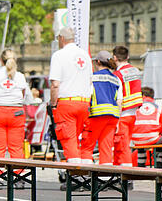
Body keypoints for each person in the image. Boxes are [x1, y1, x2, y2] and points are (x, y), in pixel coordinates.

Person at [48, 27, 92, 163]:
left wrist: (53, 104)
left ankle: (76, 176)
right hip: (84, 103)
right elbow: (90, 81)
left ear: (61, 38)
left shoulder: (59, 55)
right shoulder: (85, 55)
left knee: (69, 139)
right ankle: (86, 171)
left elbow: (55, 84)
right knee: (81, 139)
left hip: (67, 103)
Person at [80, 51, 121, 165]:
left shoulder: (92, 77)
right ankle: (106, 178)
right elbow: (119, 101)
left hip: (97, 115)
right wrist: (118, 121)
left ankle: (84, 178)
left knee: (87, 146)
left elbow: (87, 95)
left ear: (97, 62)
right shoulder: (116, 79)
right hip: (113, 117)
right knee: (106, 147)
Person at [0, 50, 27, 162]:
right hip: (16, 112)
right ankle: (18, 175)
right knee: (16, 148)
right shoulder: (20, 76)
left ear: (1, 61)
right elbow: (23, 95)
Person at [112, 45, 143, 166]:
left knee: (122, 145)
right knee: (127, 143)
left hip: (123, 113)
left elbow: (118, 96)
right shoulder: (135, 70)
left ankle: (126, 176)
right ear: (128, 56)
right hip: (134, 113)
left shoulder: (118, 74)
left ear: (115, 58)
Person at [131, 87, 162, 169]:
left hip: (136, 139)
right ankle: (159, 165)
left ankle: (141, 165)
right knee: (161, 142)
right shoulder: (158, 107)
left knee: (141, 142)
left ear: (142, 95)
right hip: (152, 138)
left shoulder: (135, 107)